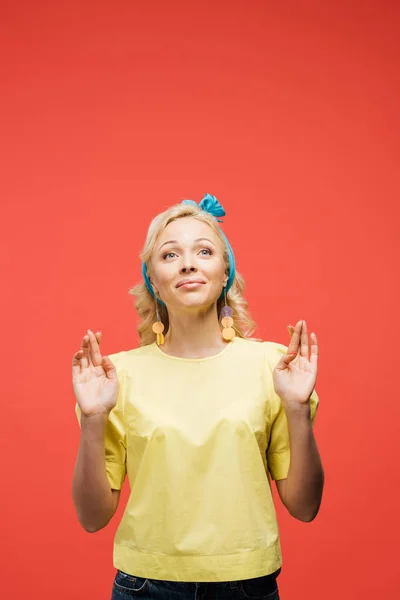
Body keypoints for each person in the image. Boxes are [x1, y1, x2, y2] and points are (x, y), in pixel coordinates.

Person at [72, 193, 324, 600]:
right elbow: (92, 517)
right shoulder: (115, 377)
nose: (188, 263)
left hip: (247, 584)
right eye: (170, 255)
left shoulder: (274, 367)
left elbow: (305, 507)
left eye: (204, 251)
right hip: (144, 586)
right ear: (153, 281)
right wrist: (93, 417)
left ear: (225, 272)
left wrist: (296, 409)